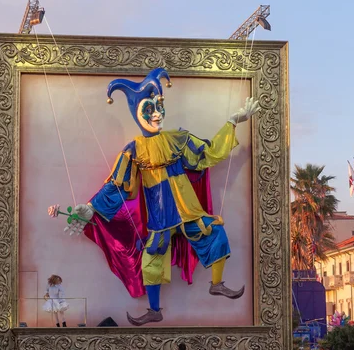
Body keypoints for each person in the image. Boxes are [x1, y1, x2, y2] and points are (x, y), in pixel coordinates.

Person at [60, 68, 260, 326]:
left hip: (188, 210)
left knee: (215, 233)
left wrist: (232, 121)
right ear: (136, 113)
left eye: (159, 106)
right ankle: (155, 309)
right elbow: (117, 184)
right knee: (152, 257)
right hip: (159, 215)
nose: (156, 113)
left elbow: (206, 154)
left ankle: (216, 284)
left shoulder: (178, 138)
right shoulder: (133, 150)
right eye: (148, 108)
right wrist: (90, 206)